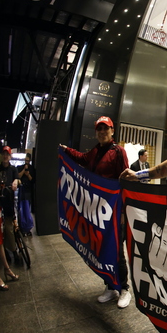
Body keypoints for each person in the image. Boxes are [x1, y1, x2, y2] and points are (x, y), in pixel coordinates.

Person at [59, 116, 132, 309]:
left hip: (115, 213)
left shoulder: (118, 152)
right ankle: (109, 286)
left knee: (116, 251)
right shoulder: (94, 152)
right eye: (99, 129)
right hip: (97, 212)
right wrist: (66, 151)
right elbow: (81, 158)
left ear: (112, 131)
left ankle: (124, 288)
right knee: (102, 250)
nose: (102, 132)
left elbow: (125, 181)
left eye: (105, 129)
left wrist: (124, 212)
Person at [0, 134, 18, 290]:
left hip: (0, 207)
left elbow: (17, 179)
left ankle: (7, 269)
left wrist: (16, 181)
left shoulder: (2, 168)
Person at [17, 153, 35, 235]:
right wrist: (24, 169)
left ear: (30, 160)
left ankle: (28, 227)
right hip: (21, 189)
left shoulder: (32, 169)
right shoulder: (21, 167)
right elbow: (18, 176)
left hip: (28, 190)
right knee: (21, 209)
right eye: (25, 160)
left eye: (28, 160)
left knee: (27, 209)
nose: (26, 162)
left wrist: (28, 175)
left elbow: (32, 180)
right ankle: (21, 226)